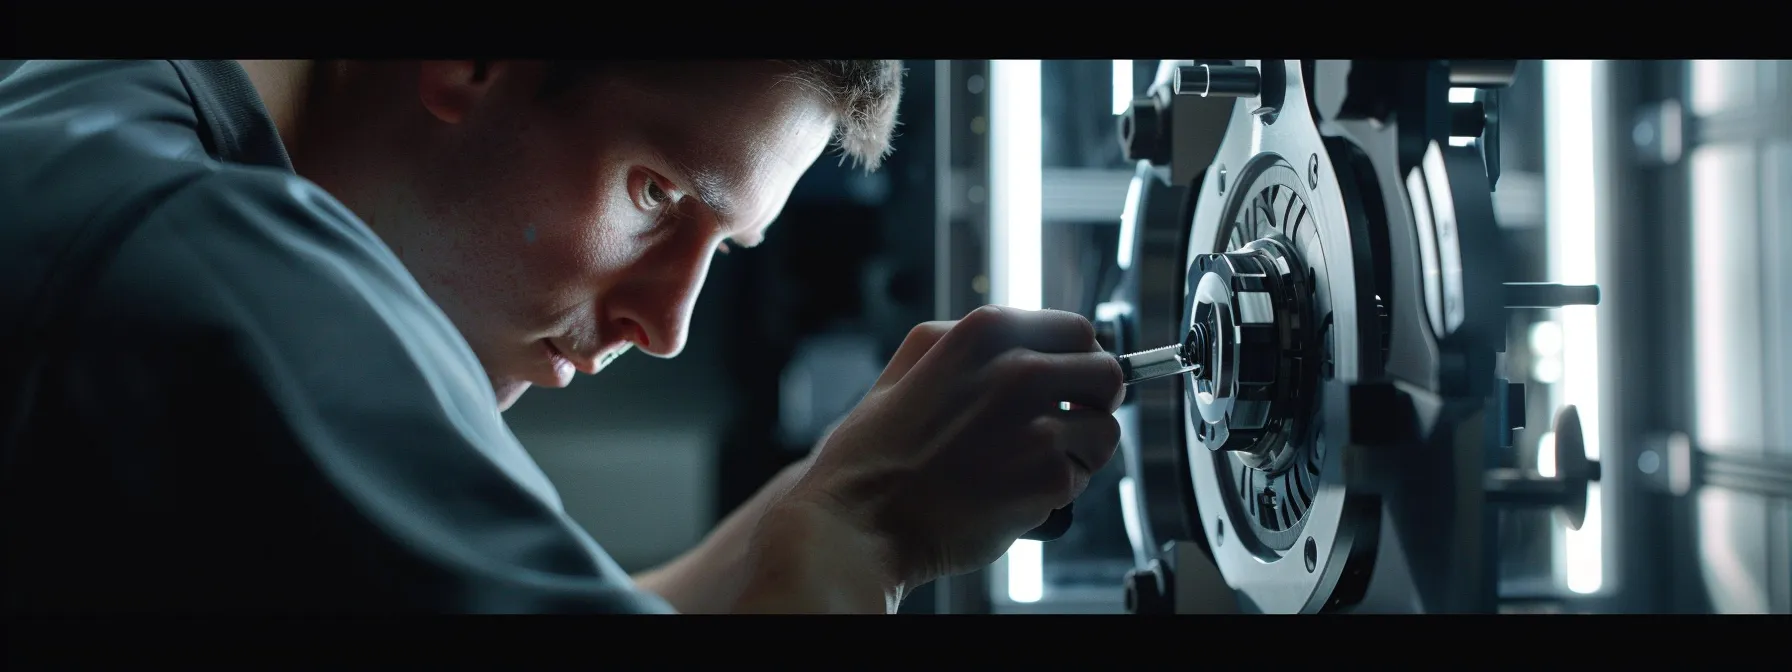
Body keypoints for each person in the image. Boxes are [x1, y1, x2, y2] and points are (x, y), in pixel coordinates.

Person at [0, 60, 1124, 613]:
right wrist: (865, 530)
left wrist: (811, 508)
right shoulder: (206, 262)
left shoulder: (106, 113)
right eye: (653, 194)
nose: (667, 325)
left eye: (717, 248)